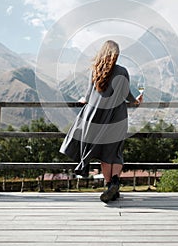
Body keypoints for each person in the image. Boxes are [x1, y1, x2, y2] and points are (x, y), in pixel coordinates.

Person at [60, 40, 143, 202]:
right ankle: (115, 183)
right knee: (115, 152)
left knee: (104, 153)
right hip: (118, 117)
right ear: (116, 55)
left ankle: (110, 187)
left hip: (97, 118)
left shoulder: (95, 71)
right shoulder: (123, 71)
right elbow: (127, 95)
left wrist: (83, 99)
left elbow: (90, 97)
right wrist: (136, 101)